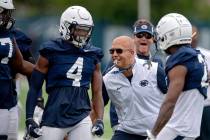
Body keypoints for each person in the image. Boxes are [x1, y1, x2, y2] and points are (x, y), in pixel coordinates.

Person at [25, 6, 104, 140]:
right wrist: (29, 118)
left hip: (81, 116)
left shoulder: (93, 54)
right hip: (54, 117)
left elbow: (97, 92)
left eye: (86, 31)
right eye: (79, 30)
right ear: (66, 27)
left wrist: (99, 119)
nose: (83, 34)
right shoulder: (50, 51)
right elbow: (34, 87)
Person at [148, 13, 209, 140]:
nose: (158, 39)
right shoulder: (198, 56)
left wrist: (153, 134)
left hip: (177, 130)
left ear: (169, 35)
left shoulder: (181, 59)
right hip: (190, 131)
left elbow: (170, 103)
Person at [102, 19, 167, 132]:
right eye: (140, 35)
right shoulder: (118, 60)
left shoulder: (157, 63)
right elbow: (104, 91)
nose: (143, 38)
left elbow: (165, 92)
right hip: (122, 122)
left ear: (153, 39)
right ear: (133, 38)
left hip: (149, 124)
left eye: (148, 36)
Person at [0, 0, 35, 140]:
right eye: (3, 12)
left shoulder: (10, 36)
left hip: (8, 99)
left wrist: (47, 71)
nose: (7, 16)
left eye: (7, 13)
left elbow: (21, 64)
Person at [191, 26, 210, 140]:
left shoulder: (206, 54)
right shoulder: (178, 57)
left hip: (206, 106)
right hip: (189, 108)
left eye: (194, 35)